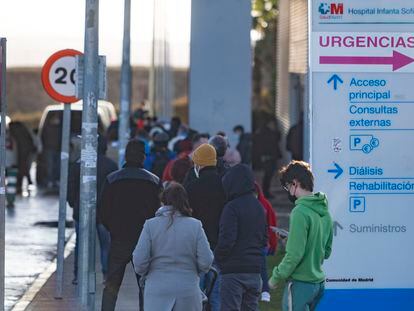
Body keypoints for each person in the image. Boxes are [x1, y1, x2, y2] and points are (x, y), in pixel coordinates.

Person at [100, 139, 162, 311]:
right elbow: (159, 213)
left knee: (111, 285)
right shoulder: (153, 181)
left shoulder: (112, 180)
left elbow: (103, 211)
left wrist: (113, 228)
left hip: (119, 239)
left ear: (126, 156)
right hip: (144, 241)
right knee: (145, 286)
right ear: (143, 157)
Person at [133, 182, 214, 311]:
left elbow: (139, 262)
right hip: (187, 290)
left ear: (163, 200)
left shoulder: (150, 226)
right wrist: (194, 271)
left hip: (157, 289)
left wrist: (147, 274)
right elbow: (206, 261)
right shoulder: (195, 225)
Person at [268, 161, 333, 311]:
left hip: (300, 284)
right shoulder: (325, 212)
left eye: (287, 186)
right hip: (318, 283)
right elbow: (326, 251)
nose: (288, 191)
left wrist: (275, 277)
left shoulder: (300, 212)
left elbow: (294, 254)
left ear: (295, 183)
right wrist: (293, 239)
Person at [215, 164, 267, 311]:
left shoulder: (231, 207)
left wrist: (218, 258)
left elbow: (227, 240)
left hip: (233, 271)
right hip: (254, 270)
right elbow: (264, 239)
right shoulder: (259, 207)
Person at [67, 136, 118, 284]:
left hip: (82, 212)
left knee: (81, 244)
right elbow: (114, 191)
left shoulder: (79, 164)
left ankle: (78, 275)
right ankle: (106, 275)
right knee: (106, 245)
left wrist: (73, 203)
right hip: (105, 214)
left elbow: (71, 187)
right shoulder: (111, 165)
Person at [185, 143, 226, 311]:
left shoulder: (191, 188)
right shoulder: (225, 186)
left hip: (197, 246)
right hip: (220, 243)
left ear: (199, 164)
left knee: (197, 294)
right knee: (217, 294)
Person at [254, 182, 278, 303]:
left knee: (262, 268)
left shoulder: (264, 205)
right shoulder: (264, 204)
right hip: (260, 242)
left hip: (261, 243)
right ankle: (263, 291)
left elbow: (272, 224)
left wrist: (272, 243)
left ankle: (265, 291)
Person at [253, 119, 282, 198]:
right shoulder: (266, 133)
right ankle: (265, 192)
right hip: (268, 157)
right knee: (267, 175)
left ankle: (265, 192)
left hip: (269, 157)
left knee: (268, 176)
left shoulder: (265, 132)